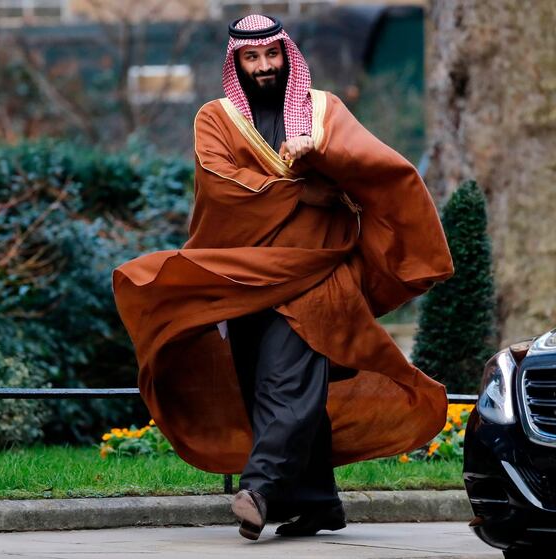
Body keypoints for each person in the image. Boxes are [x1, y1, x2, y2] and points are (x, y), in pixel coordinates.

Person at [112, 14, 454, 542]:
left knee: (285, 382)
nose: (264, 66)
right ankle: (318, 504)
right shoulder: (215, 118)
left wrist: (324, 158)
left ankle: (260, 491)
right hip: (247, 278)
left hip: (319, 272)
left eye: (272, 55)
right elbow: (222, 183)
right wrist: (302, 189)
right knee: (260, 383)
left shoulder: (324, 111)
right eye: (251, 58)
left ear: (286, 55)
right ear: (237, 63)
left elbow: (372, 165)